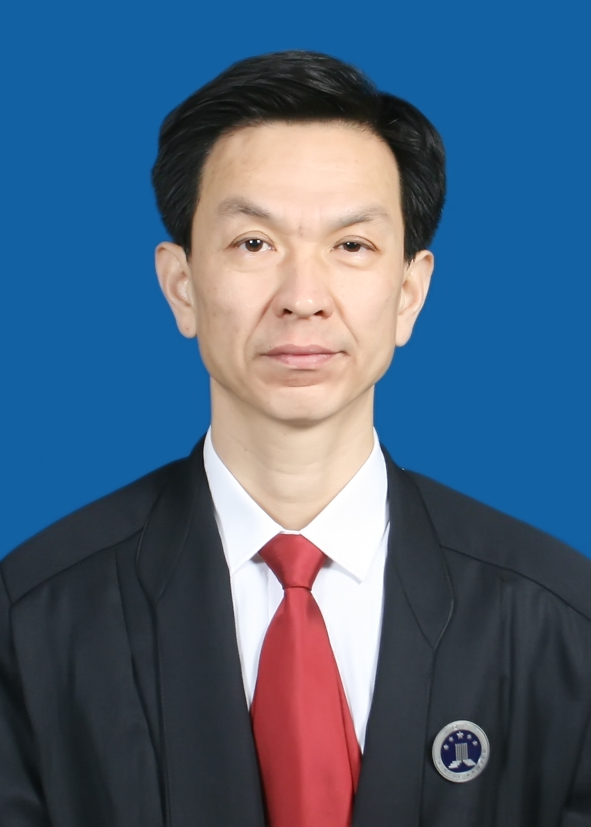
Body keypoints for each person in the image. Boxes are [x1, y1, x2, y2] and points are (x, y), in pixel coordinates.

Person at [1, 50, 590, 827]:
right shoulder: (33, 618)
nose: (303, 298)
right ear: (181, 285)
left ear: (408, 292)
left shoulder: (558, 619)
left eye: (351, 246)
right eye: (254, 243)